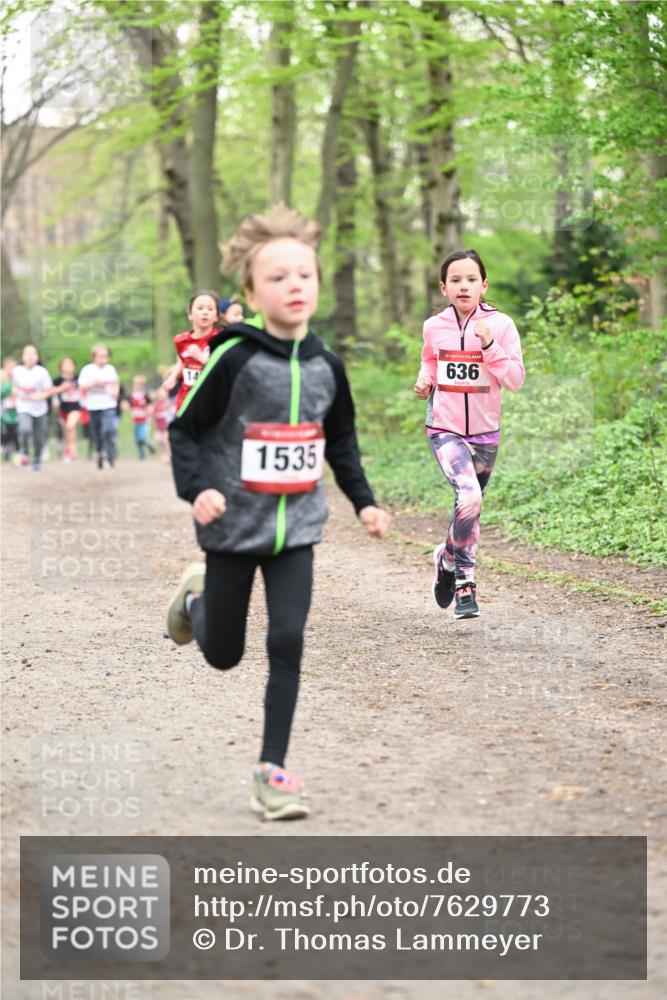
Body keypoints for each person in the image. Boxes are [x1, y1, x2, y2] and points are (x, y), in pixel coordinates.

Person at [165, 205, 391, 821]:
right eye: (277, 277)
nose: (294, 285)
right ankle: (196, 599)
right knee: (223, 654)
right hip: (233, 527)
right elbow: (184, 429)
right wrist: (197, 490)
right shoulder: (232, 358)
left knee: (287, 640)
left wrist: (365, 502)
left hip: (298, 530)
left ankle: (272, 772)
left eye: (304, 275)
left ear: (317, 282)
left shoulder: (327, 366)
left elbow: (340, 442)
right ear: (250, 291)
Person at [415, 249, 525, 619]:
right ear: (443, 287)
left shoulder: (502, 326)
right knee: (469, 496)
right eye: (456, 280)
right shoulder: (434, 326)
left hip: (485, 433)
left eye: (471, 279)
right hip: (444, 428)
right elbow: (429, 359)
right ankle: (465, 582)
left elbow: (515, 380)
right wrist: (425, 379)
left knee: (469, 505)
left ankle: (445, 558)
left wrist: (490, 346)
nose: (464, 286)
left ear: (484, 285)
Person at [162, 291, 220, 411]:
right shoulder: (181, 340)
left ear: (216, 316)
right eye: (200, 308)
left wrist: (202, 359)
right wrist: (173, 377)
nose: (205, 312)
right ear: (190, 315)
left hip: (210, 402)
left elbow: (223, 368)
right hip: (185, 401)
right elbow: (183, 359)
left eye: (210, 309)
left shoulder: (221, 339)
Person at [78, 344, 120, 469]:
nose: (104, 359)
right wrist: (94, 383)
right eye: (101, 356)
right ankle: (100, 452)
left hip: (108, 404)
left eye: (106, 356)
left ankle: (110, 455)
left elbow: (116, 383)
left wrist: (116, 391)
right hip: (93, 406)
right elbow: (81, 386)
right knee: (96, 432)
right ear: (94, 357)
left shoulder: (110, 369)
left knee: (108, 430)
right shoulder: (87, 370)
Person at [12, 345, 52, 471]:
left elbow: (48, 390)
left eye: (33, 354)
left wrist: (40, 396)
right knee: (24, 429)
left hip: (40, 409)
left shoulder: (42, 372)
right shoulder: (17, 371)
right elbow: (13, 386)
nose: (30, 357)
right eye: (27, 354)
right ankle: (24, 452)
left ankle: (37, 459)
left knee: (39, 437)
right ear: (22, 357)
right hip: (23, 407)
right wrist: (17, 392)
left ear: (37, 357)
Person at [50, 357, 81, 462]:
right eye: (65, 365)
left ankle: (73, 448)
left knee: (70, 426)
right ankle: (67, 450)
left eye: (70, 365)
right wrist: (55, 403)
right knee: (65, 430)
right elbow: (53, 393)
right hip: (62, 407)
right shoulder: (57, 380)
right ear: (61, 367)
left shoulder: (78, 379)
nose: (68, 367)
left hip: (76, 406)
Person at [128, 375, 156, 460]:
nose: (138, 386)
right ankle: (141, 454)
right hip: (135, 420)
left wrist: (150, 412)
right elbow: (129, 405)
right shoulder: (132, 395)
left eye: (139, 384)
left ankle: (151, 445)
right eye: (136, 384)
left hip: (144, 420)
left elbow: (150, 405)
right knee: (137, 439)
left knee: (143, 437)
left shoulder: (145, 395)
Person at [1, 358, 19, 463]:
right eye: (10, 367)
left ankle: (15, 452)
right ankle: (5, 449)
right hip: (4, 411)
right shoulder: (2, 381)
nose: (12, 370)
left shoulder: (18, 380)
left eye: (14, 367)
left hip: (16, 410)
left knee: (15, 432)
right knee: (5, 431)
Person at [152, 386, 171, 463]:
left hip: (166, 427)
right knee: (158, 440)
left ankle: (169, 455)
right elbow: (153, 415)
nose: (161, 397)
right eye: (160, 395)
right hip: (159, 427)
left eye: (163, 395)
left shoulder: (167, 403)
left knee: (166, 441)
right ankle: (163, 455)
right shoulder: (156, 405)